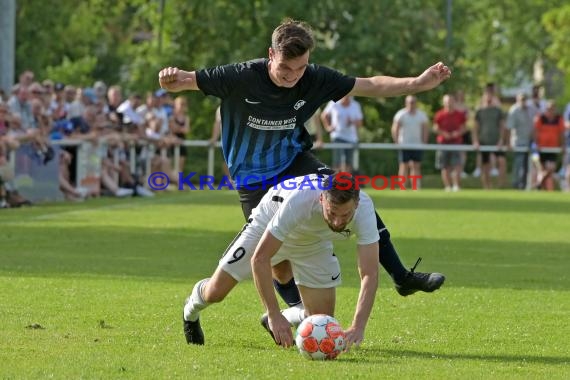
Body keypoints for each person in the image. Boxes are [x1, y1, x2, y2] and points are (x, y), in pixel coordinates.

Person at [159, 18, 449, 336]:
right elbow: (186, 80)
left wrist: (417, 84)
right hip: (253, 180)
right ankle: (288, 312)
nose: (292, 76)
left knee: (351, 195)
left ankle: (401, 276)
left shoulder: (314, 79)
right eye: (286, 68)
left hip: (294, 161)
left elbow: (371, 85)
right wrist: (172, 78)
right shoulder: (241, 76)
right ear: (271, 54)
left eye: (300, 68)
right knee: (278, 262)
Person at [183, 174, 379, 348]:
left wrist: (358, 326)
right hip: (266, 227)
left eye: (345, 215)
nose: (337, 222)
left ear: (357, 203)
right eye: (332, 213)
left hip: (313, 243)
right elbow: (260, 259)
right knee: (215, 293)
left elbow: (369, 273)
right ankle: (190, 310)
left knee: (321, 322)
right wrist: (272, 314)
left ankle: (285, 316)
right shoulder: (300, 200)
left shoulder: (365, 210)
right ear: (321, 199)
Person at [391, 95, 429, 189]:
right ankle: (402, 187)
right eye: (410, 102)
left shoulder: (421, 115)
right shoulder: (401, 114)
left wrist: (424, 142)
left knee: (416, 166)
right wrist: (396, 142)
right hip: (404, 144)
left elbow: (425, 129)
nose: (411, 104)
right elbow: (395, 128)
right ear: (406, 103)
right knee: (404, 165)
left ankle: (415, 187)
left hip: (417, 144)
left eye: (413, 102)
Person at [473, 93, 507, 189]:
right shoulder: (479, 111)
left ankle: (501, 185)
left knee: (501, 161)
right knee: (485, 165)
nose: (488, 100)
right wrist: (475, 141)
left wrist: (501, 140)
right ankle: (487, 186)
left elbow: (502, 126)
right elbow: (475, 128)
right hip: (484, 141)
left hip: (496, 141)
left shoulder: (498, 111)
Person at [321, 96, 363, 172]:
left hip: (351, 138)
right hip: (337, 136)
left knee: (349, 162)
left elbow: (360, 123)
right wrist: (328, 127)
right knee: (337, 161)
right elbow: (324, 115)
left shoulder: (355, 105)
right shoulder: (333, 103)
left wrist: (352, 121)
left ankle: (347, 181)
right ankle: (336, 181)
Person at [433, 94, 466, 191]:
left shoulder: (460, 114)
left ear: (454, 102)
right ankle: (447, 186)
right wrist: (444, 134)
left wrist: (457, 133)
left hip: (456, 143)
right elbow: (435, 128)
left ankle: (456, 186)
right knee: (444, 166)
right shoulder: (439, 114)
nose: (449, 103)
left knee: (457, 165)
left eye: (450, 101)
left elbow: (464, 127)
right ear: (444, 103)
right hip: (443, 143)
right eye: (447, 101)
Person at [533, 101, 565, 191]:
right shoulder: (541, 118)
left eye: (552, 108)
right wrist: (536, 144)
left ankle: (539, 183)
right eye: (548, 108)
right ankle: (542, 188)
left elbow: (561, 133)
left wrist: (562, 145)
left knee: (551, 168)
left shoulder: (559, 119)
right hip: (541, 148)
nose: (550, 110)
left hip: (553, 148)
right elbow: (536, 131)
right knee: (542, 168)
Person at [506, 93, 534, 189]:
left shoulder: (530, 110)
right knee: (519, 163)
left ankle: (524, 184)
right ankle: (516, 183)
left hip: (529, 142)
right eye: (521, 99)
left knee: (527, 165)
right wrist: (508, 142)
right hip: (518, 142)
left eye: (524, 99)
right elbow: (509, 127)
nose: (523, 101)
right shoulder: (514, 110)